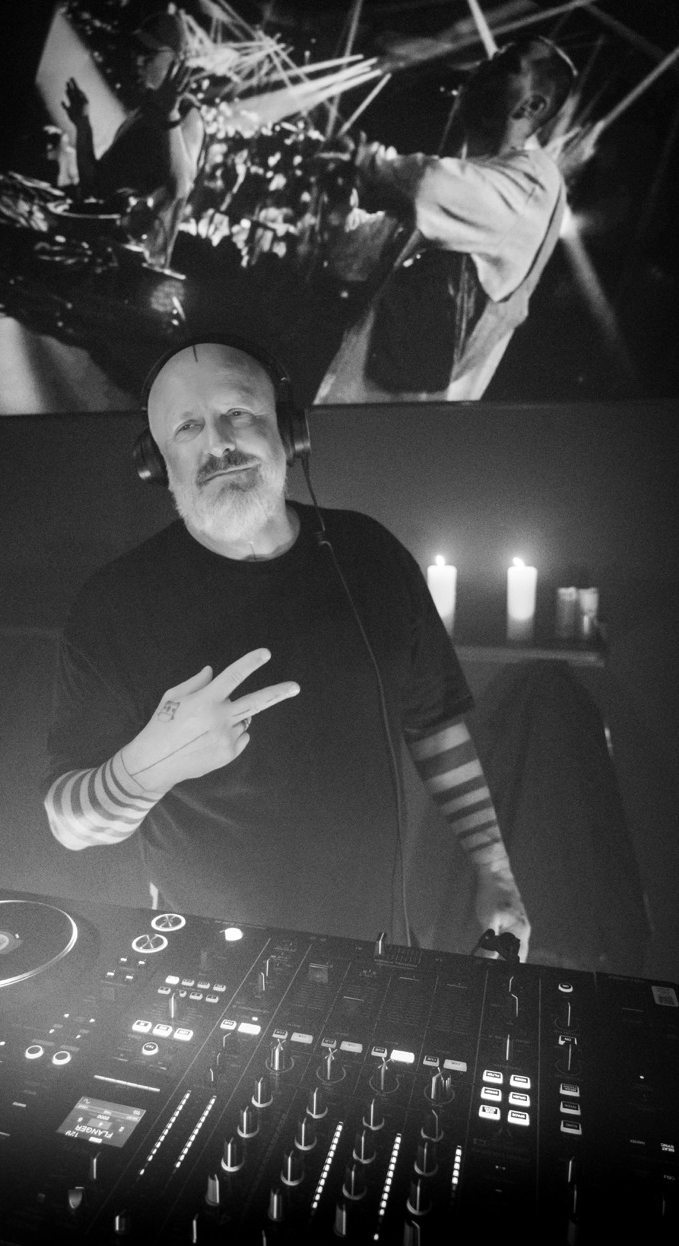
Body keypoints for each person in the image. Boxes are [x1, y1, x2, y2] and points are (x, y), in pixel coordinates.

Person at [42, 338, 530, 957]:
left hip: (377, 946)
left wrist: (495, 872)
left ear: (289, 432)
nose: (219, 442)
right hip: (207, 964)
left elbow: (435, 725)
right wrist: (151, 765)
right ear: (158, 463)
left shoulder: (370, 554)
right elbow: (67, 824)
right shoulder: (114, 603)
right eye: (187, 427)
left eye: (238, 412)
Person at [314, 36, 577, 404]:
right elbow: (351, 256)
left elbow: (428, 187)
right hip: (349, 406)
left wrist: (365, 161)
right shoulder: (463, 195)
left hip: (404, 430)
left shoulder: (536, 181)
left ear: (531, 104)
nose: (483, 67)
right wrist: (340, 194)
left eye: (506, 65)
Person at [62, 9, 204, 268]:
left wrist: (170, 114)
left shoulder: (188, 115)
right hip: (102, 254)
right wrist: (83, 127)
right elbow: (94, 187)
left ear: (177, 61)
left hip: (136, 267)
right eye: (138, 52)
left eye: (149, 55)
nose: (138, 61)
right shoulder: (139, 114)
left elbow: (181, 187)